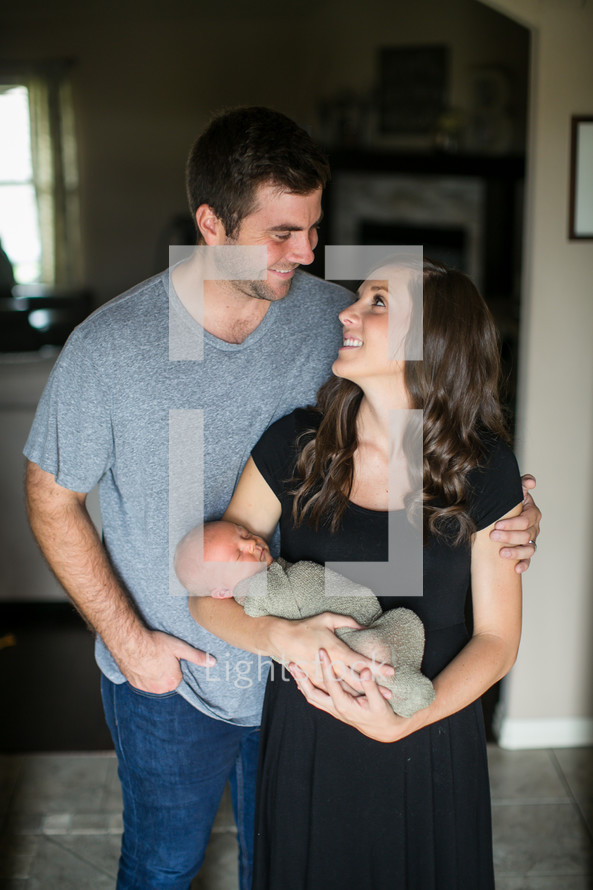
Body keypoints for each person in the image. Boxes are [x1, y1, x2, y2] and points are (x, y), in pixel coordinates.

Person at [23, 106, 540, 890]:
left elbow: (430, 414)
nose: (306, 253)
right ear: (210, 222)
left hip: (309, 690)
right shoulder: (109, 347)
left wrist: (508, 503)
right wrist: (133, 646)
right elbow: (51, 501)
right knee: (162, 865)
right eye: (280, 233)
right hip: (179, 675)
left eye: (312, 228)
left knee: (286, 864)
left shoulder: (326, 320)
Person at [191, 257, 527, 888]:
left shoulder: (486, 471)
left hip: (430, 734)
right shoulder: (294, 445)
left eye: (377, 302)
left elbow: (498, 640)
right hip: (310, 734)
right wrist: (281, 638)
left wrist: (408, 720)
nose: (347, 311)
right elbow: (207, 595)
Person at [175, 520, 436, 717]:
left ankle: (396, 682)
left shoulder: (274, 570)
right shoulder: (257, 594)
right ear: (222, 592)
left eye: (244, 534)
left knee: (400, 624)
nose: (251, 544)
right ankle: (401, 690)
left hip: (365, 624)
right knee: (369, 654)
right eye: (237, 555)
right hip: (344, 643)